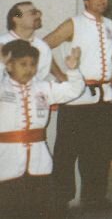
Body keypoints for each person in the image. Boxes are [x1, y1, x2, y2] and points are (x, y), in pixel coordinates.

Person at [44, 0, 112, 213]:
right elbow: (44, 45)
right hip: (77, 98)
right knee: (67, 152)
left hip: (103, 98)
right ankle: (60, 200)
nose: (102, 0)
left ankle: (95, 197)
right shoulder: (74, 23)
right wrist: (61, 77)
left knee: (100, 151)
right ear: (86, 0)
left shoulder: (110, 25)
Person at [0, 41, 84, 219]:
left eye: (32, 64)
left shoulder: (43, 88)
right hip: (7, 161)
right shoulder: (2, 88)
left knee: (43, 209)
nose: (29, 69)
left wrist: (73, 70)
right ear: (9, 65)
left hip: (39, 162)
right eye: (23, 64)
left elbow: (73, 90)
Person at [2, 2, 53, 83]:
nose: (38, 16)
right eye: (33, 13)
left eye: (38, 12)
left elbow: (41, 79)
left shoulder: (43, 47)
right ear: (16, 18)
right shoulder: (2, 43)